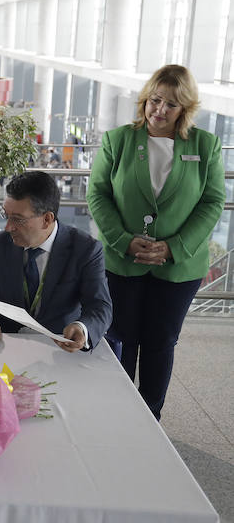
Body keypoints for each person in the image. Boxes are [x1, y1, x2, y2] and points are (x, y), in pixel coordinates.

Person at [87, 64, 224, 419]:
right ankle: (114, 413)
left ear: (186, 109)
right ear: (145, 99)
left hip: (178, 266)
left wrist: (175, 246)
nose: (159, 111)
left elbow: (212, 202)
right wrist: (123, 241)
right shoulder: (118, 140)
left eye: (171, 105)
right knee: (121, 338)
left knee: (160, 343)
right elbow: (98, 195)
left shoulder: (205, 145)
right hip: (123, 260)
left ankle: (150, 418)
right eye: (155, 100)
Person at [0, 171, 112, 353]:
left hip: (58, 349)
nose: (8, 227)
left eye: (17, 219)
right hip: (5, 347)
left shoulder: (85, 249)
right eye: (5, 215)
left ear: (47, 219)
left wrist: (82, 328)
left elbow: (99, 306)